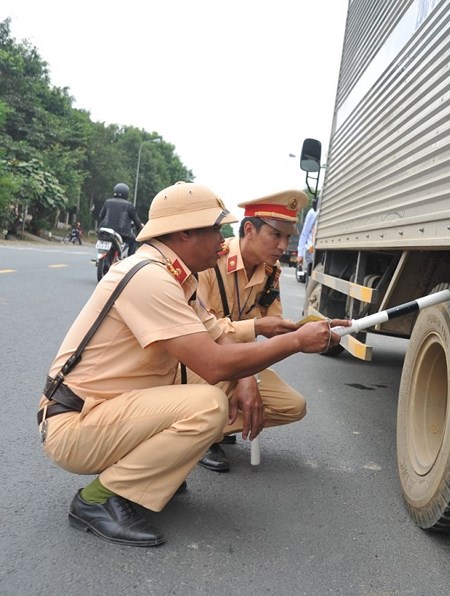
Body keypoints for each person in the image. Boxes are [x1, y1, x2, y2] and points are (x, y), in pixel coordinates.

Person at [37, 181, 349, 547]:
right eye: (216, 229)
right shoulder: (150, 277)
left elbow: (221, 337)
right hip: (75, 426)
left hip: (109, 410)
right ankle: (98, 500)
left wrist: (308, 331)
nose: (222, 239)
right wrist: (295, 342)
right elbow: (215, 363)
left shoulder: (176, 278)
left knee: (218, 395)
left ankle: (154, 470)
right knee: (208, 405)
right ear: (185, 233)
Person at [192, 190, 308, 472]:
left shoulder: (271, 271)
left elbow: (274, 324)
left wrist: (309, 331)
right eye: (276, 235)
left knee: (294, 406)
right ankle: (201, 436)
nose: (283, 246)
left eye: (288, 238)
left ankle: (218, 426)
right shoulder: (210, 261)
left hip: (238, 362)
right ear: (248, 230)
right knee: (221, 385)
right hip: (199, 362)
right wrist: (255, 328)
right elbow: (197, 327)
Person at [97, 182, 143, 255]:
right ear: (126, 193)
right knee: (133, 241)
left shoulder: (107, 202)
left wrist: (99, 228)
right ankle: (130, 260)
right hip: (123, 234)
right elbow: (137, 221)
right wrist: (139, 229)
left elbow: (100, 216)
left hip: (104, 232)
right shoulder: (129, 205)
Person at [296, 199, 317, 282]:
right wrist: (300, 253)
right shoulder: (313, 212)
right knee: (309, 277)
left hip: (318, 249)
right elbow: (304, 233)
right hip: (310, 249)